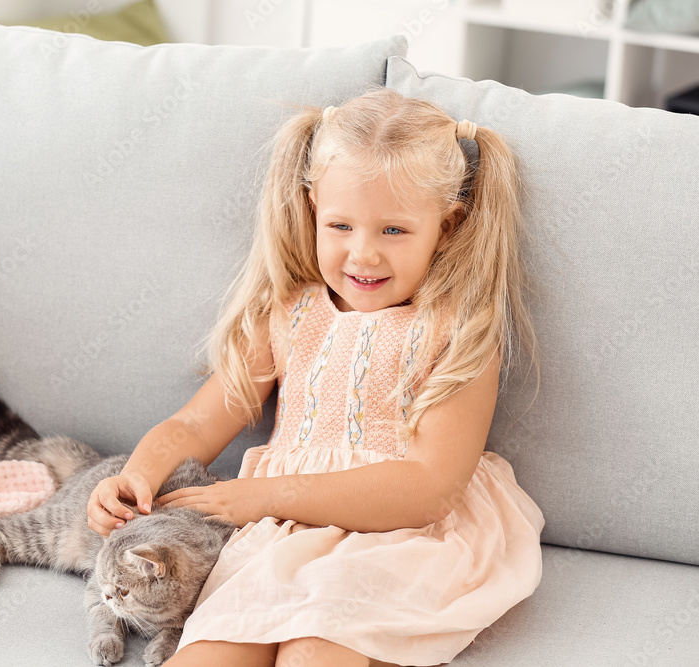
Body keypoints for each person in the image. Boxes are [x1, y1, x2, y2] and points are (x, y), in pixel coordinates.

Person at [86, 86, 546, 667]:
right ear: (311, 210)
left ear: (447, 227)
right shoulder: (288, 313)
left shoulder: (459, 331)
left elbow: (430, 487)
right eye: (341, 226)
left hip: (403, 536)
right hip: (284, 536)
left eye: (394, 230)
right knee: (213, 653)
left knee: (315, 650)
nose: (364, 255)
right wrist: (137, 474)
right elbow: (197, 422)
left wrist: (264, 495)